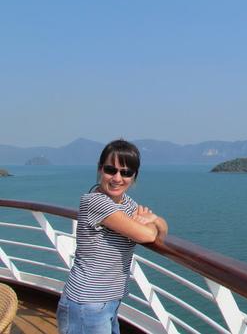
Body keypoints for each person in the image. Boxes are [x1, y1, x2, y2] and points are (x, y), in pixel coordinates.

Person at [56, 139, 168, 334]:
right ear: (100, 169)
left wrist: (155, 219)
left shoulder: (126, 203)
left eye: (126, 173)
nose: (117, 178)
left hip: (108, 300)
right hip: (87, 303)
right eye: (111, 170)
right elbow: (147, 236)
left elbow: (163, 233)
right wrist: (150, 224)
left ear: (134, 177)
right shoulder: (95, 202)